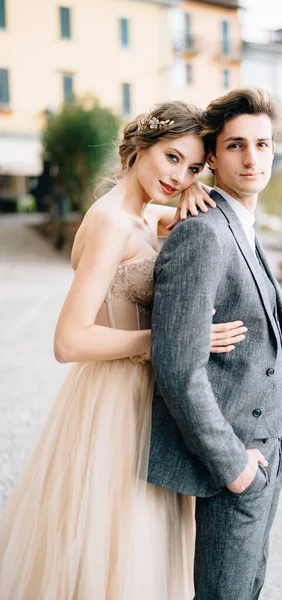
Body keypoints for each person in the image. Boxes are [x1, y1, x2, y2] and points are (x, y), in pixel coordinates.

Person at [0, 101, 248, 600]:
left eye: (194, 167)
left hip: (143, 392)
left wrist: (195, 190)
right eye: (172, 158)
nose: (179, 177)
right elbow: (69, 340)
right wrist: (173, 341)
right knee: (116, 543)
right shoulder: (114, 222)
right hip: (116, 401)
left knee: (139, 546)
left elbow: (158, 223)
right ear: (139, 147)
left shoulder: (137, 215)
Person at [149, 87, 282, 600]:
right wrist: (233, 466)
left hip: (266, 448)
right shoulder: (204, 234)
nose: (252, 158)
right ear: (212, 156)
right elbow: (177, 367)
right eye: (235, 145)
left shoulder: (244, 226)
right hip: (231, 462)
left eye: (262, 144)